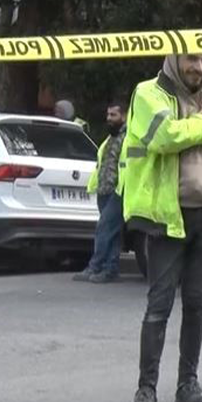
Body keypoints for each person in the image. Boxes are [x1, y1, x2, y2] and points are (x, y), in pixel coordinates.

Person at [121, 53, 202, 402]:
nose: (199, 67)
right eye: (191, 59)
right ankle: (146, 392)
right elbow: (163, 136)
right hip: (168, 217)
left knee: (196, 303)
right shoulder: (149, 93)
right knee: (159, 305)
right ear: (174, 58)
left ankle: (187, 387)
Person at [74, 100, 128, 284]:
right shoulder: (111, 138)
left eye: (114, 115)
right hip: (104, 190)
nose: (109, 119)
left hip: (119, 190)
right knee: (112, 232)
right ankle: (110, 269)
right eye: (108, 115)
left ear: (125, 116)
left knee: (104, 228)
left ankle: (95, 266)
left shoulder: (129, 138)